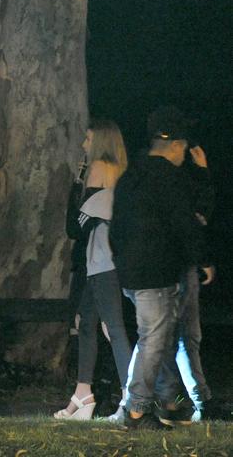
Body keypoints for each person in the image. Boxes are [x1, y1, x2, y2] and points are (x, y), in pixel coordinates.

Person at [110, 106, 215, 429]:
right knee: (154, 341)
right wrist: (205, 260)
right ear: (173, 144)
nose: (184, 151)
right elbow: (188, 223)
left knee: (156, 338)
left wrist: (122, 261)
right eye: (183, 145)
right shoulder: (169, 177)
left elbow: (117, 226)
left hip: (131, 271)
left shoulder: (132, 175)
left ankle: (165, 402)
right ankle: (137, 410)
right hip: (157, 271)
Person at [53, 119, 132, 422]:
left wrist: (78, 179)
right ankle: (83, 393)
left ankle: (130, 396)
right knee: (86, 323)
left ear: (100, 142)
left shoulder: (99, 167)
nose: (83, 145)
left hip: (103, 263)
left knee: (113, 327)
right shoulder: (121, 174)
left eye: (87, 139)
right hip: (101, 262)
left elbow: (74, 225)